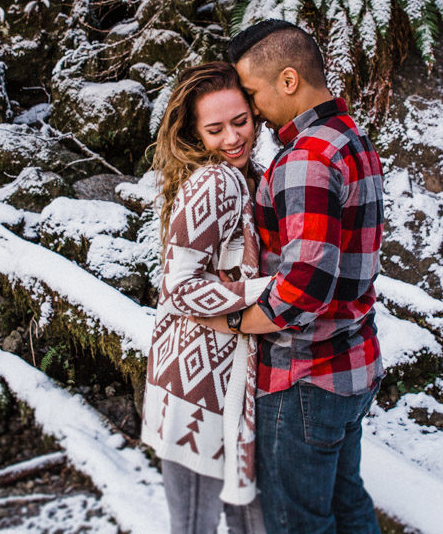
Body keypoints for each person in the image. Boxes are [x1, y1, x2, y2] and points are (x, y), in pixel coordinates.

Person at [203, 20, 385, 534]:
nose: (252, 110)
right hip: (354, 366)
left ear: (288, 80)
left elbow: (303, 289)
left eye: (254, 94)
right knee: (347, 501)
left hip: (305, 378)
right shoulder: (353, 138)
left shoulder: (306, 157)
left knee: (297, 523)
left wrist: (233, 322)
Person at [140, 61, 271, 534]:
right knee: (197, 523)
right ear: (196, 133)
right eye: (215, 129)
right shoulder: (216, 181)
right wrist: (268, 296)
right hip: (197, 387)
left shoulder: (248, 174)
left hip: (215, 376)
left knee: (243, 516)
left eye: (241, 122)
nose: (234, 138)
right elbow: (179, 287)